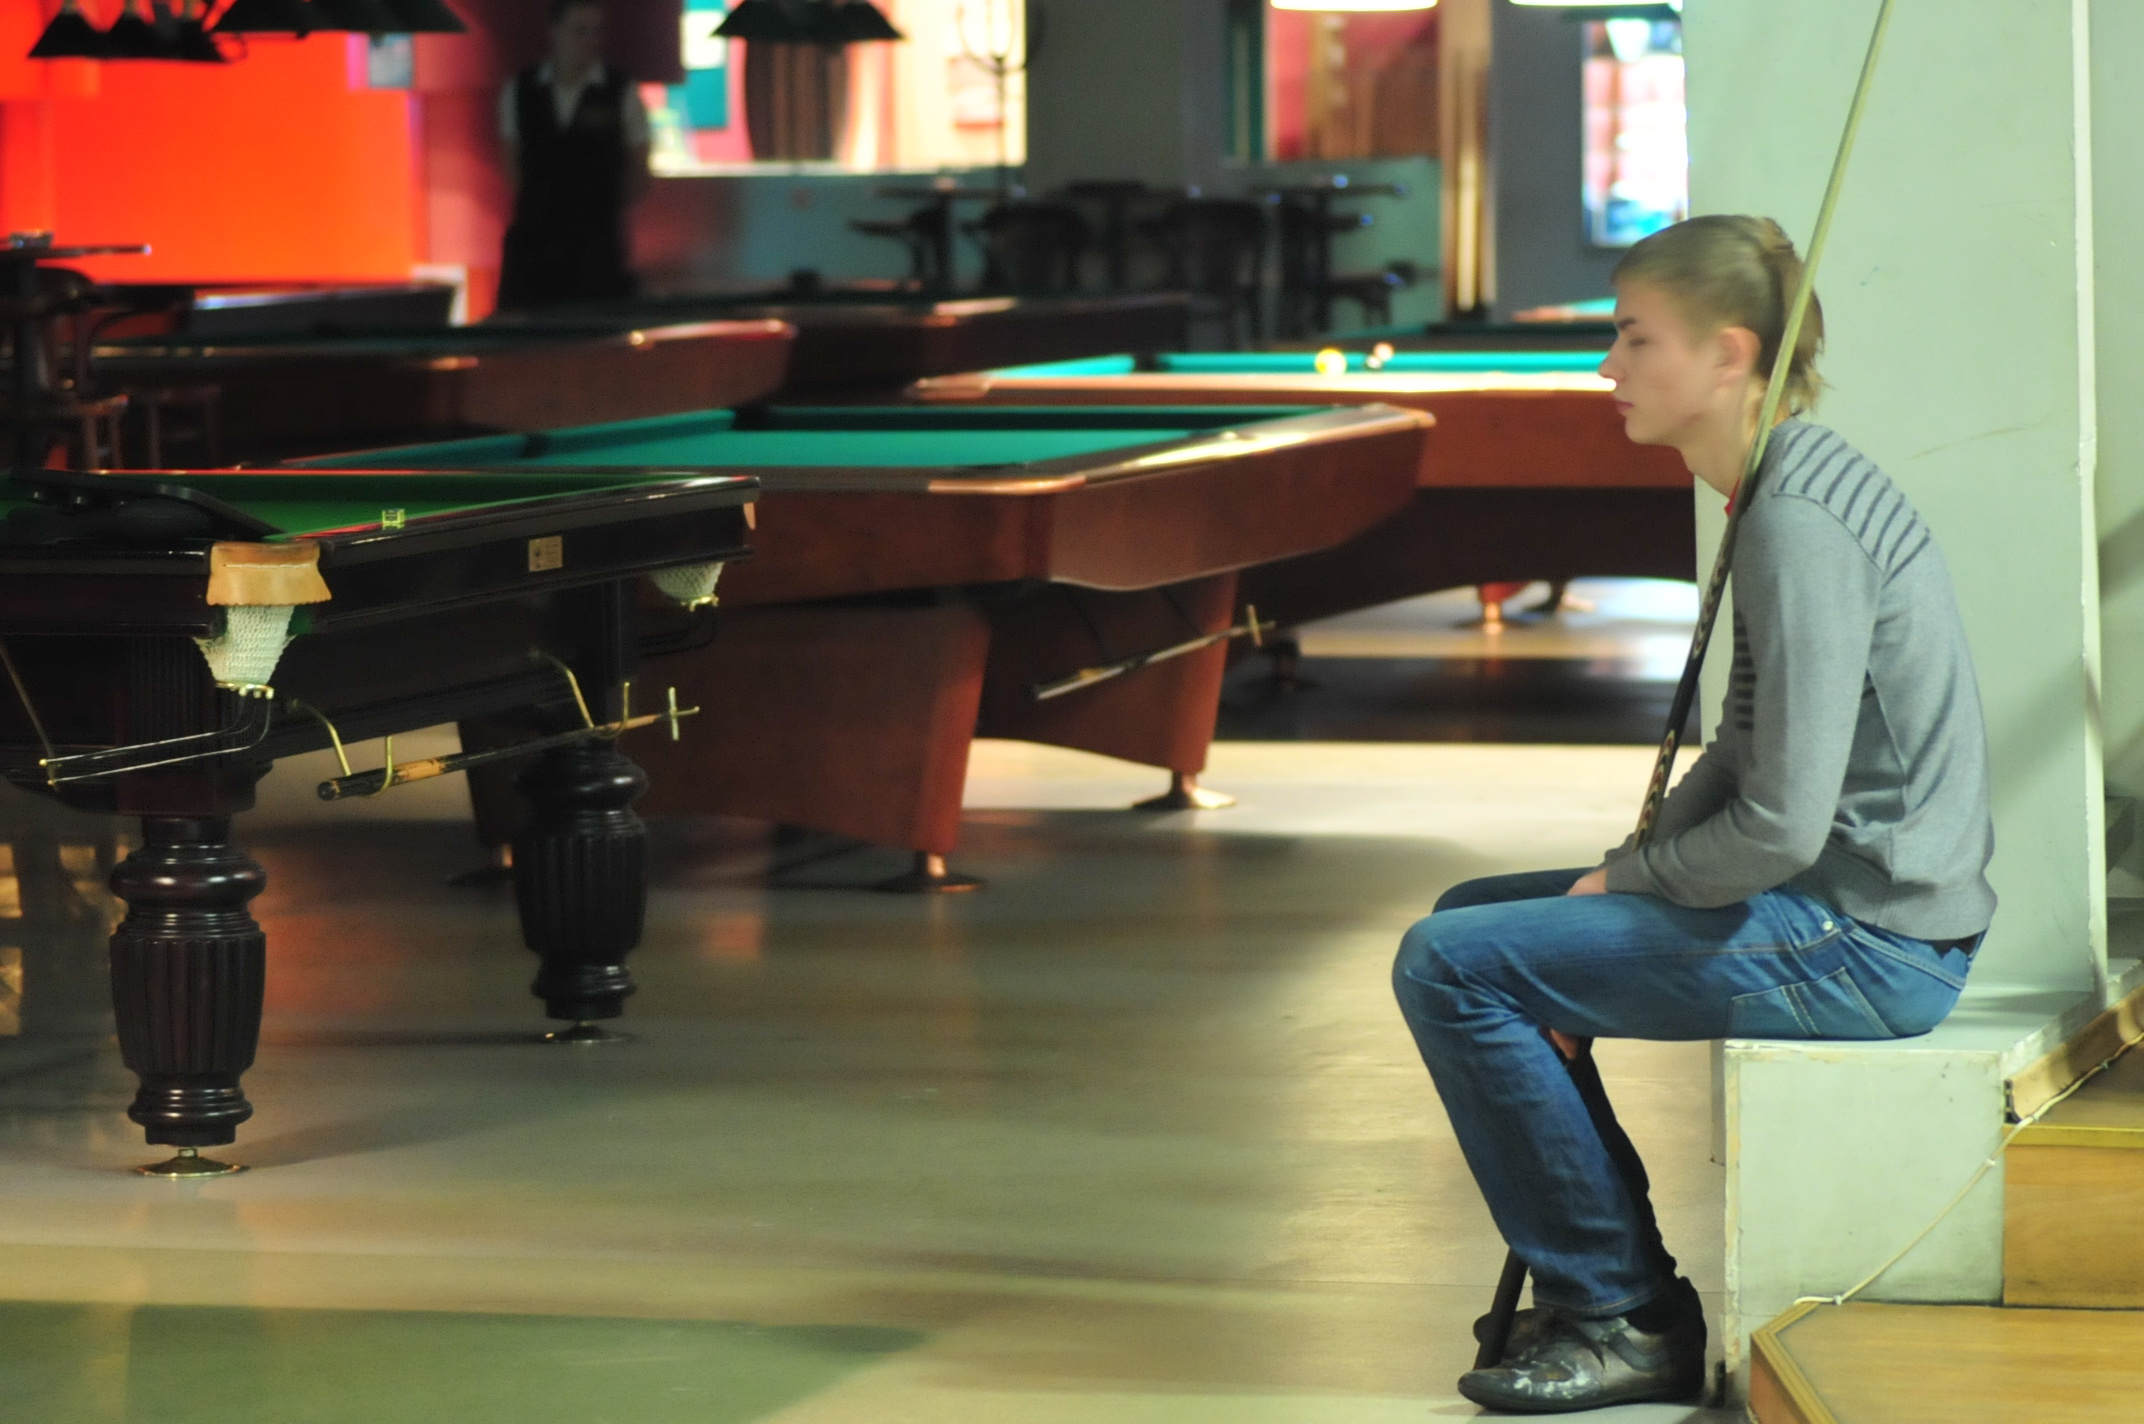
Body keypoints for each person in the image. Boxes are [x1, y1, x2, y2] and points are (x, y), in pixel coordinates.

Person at [1391, 214, 1996, 1414]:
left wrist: (1627, 888)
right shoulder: (1777, 485)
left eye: (1632, 337)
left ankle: (1621, 1312)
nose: (1604, 363)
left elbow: (1777, 828)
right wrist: (1626, 865)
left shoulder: (1795, 521)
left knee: (1448, 964)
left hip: (1868, 935)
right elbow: (1742, 743)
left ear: (1727, 354)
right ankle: (1615, 1289)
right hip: (1837, 902)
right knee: (1470, 916)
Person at [496, 0, 652, 310]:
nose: (591, 41)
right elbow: (511, 165)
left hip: (597, 253)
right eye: (581, 31)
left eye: (597, 32)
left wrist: (600, 208)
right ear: (554, 32)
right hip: (534, 253)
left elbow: (639, 171)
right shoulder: (520, 90)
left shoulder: (621, 91)